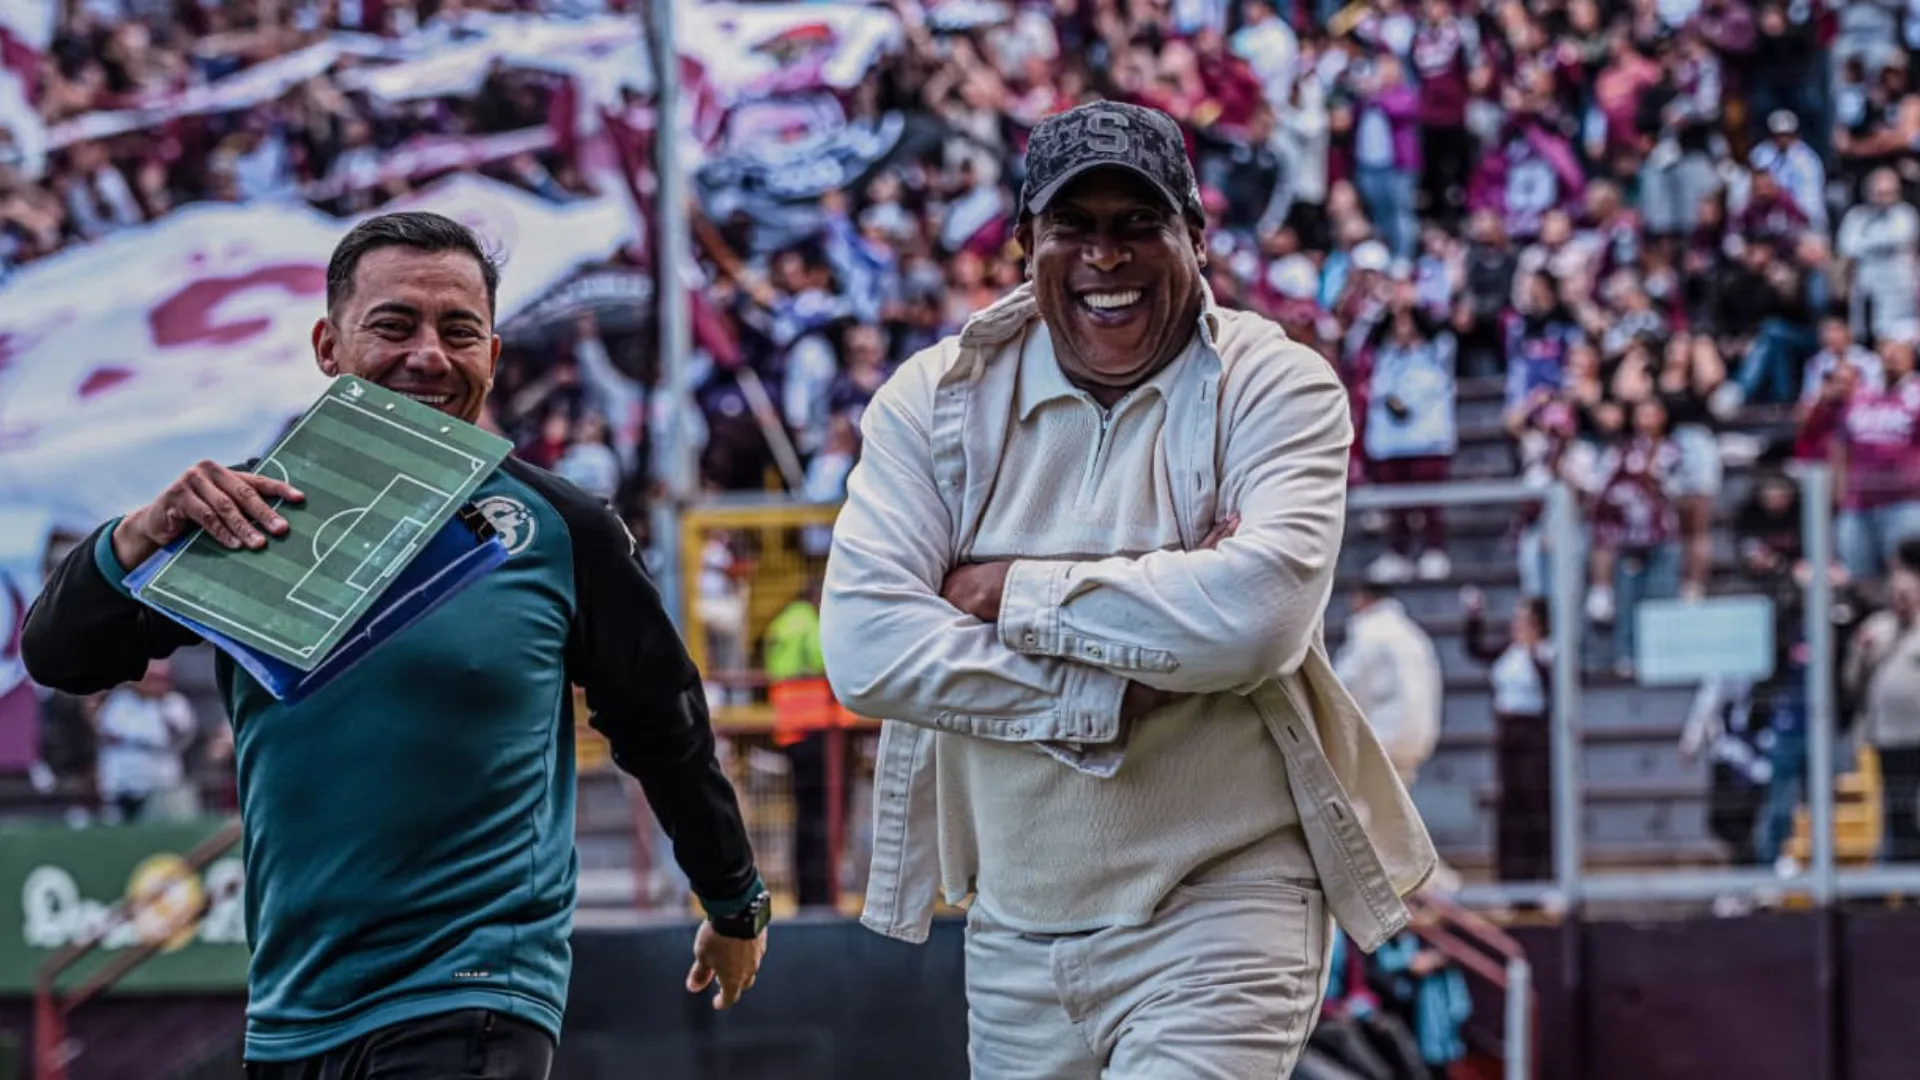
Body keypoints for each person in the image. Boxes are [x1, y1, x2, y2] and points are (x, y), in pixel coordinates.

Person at [21, 211, 770, 1080]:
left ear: (491, 355)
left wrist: (733, 899)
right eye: (393, 325)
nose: (428, 356)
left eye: (459, 332)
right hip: (290, 1017)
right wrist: (141, 531)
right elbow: (60, 656)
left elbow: (663, 724)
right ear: (328, 346)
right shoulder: (251, 513)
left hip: (472, 998)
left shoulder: (559, 530)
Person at [819, 101, 1435, 1080]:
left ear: (1196, 237)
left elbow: (1256, 621)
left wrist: (1005, 592)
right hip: (1017, 925)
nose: (1107, 256)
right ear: (1027, 244)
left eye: (1138, 223)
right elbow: (865, 650)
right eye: (1076, 227)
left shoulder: (1278, 385)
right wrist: (1105, 688)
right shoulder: (930, 400)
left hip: (1226, 903)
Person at [1334, 584, 1444, 786]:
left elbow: (1344, 686)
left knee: (1366, 807)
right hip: (1418, 737)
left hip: (1383, 733)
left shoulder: (1367, 631)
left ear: (1363, 598)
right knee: (1397, 807)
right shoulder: (1414, 634)